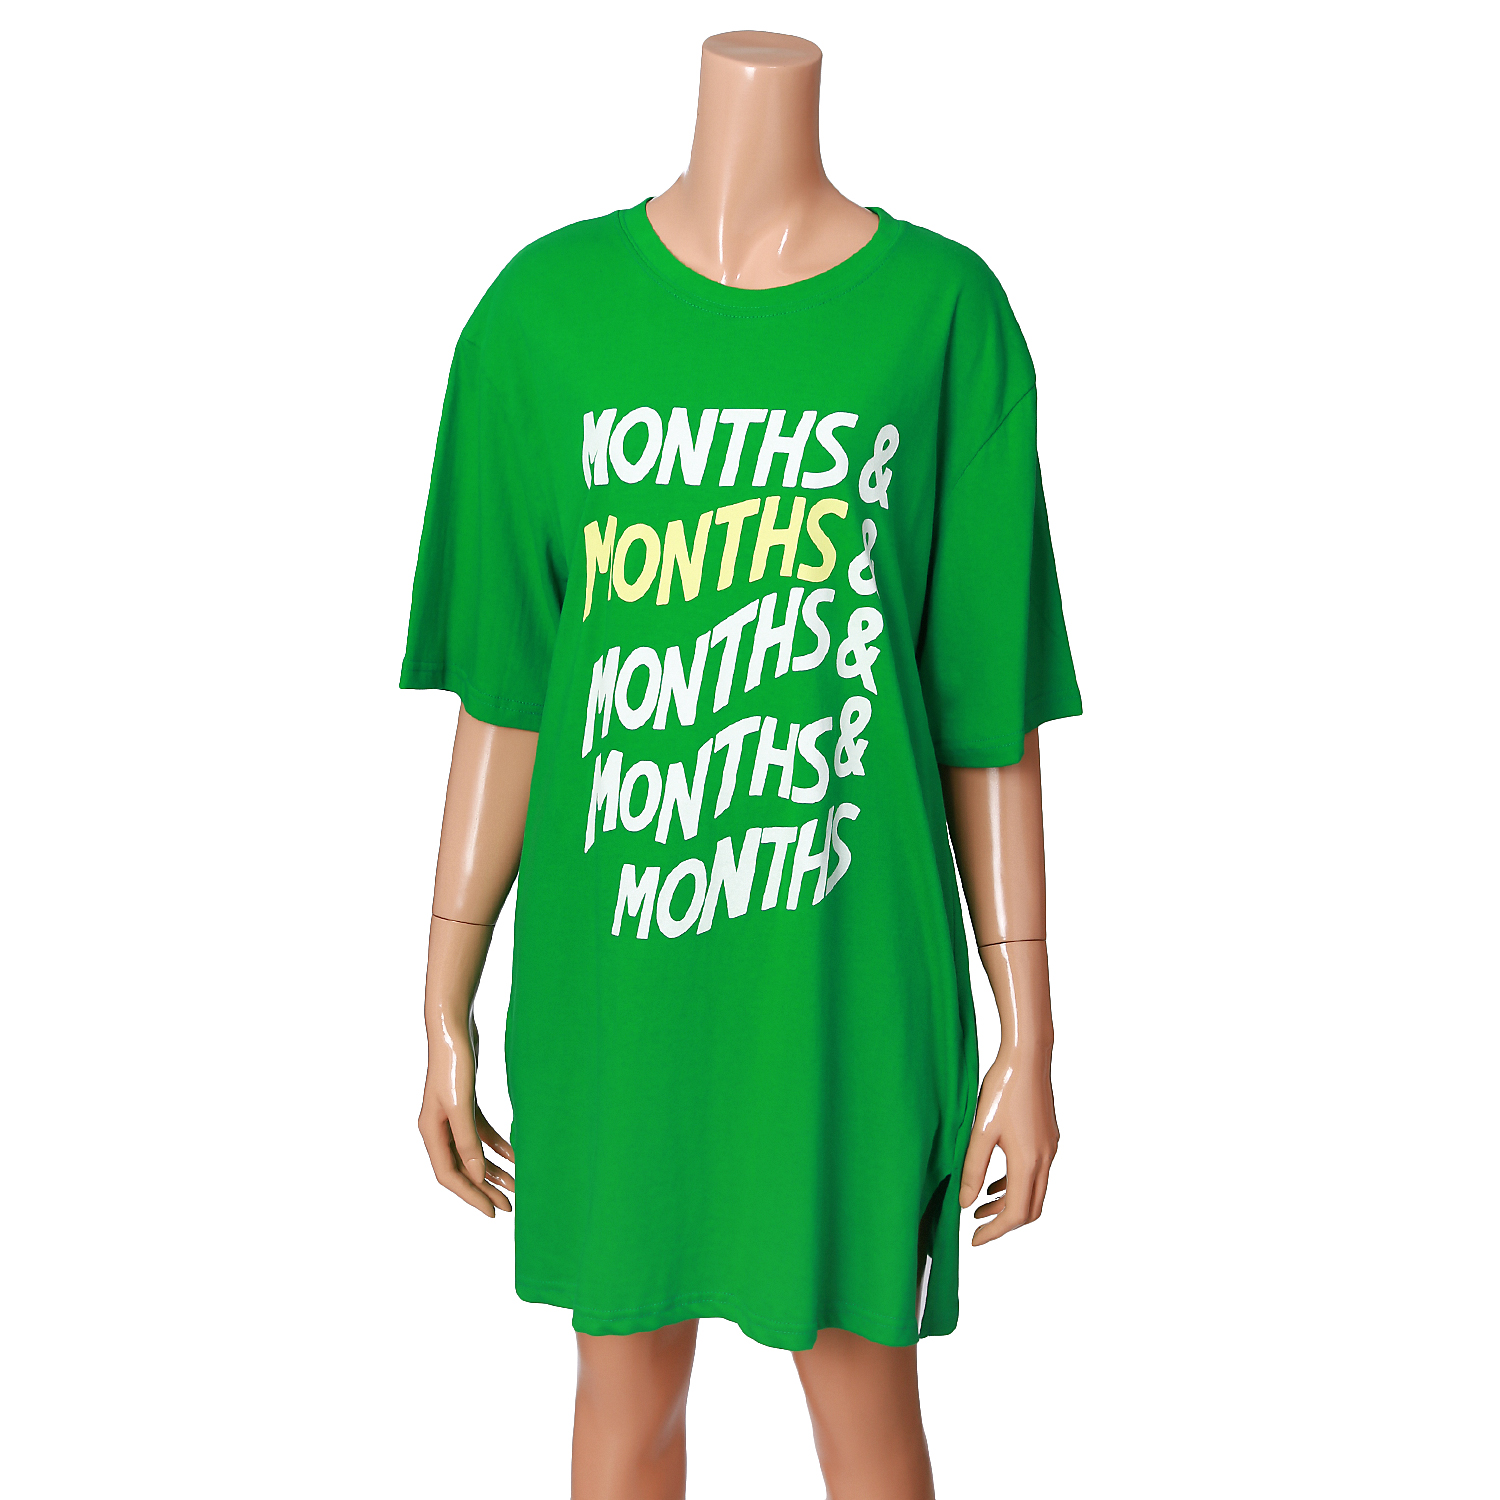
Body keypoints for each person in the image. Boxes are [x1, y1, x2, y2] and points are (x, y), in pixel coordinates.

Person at [403, 31, 1080, 1500]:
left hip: (845, 986)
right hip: (614, 984)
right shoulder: (541, 317)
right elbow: (511, 698)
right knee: (624, 1392)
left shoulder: (942, 315)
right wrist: (443, 991)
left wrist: (1029, 1023)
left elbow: (987, 713)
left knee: (863, 1394)